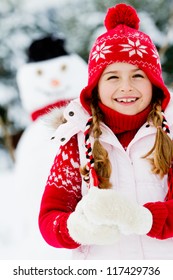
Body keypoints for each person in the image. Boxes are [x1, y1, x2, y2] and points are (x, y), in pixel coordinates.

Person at [38, 3, 173, 260]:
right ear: (95, 87)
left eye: (138, 76)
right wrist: (75, 227)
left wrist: (144, 219)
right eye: (112, 77)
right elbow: (49, 218)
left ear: (154, 83)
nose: (126, 87)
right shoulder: (76, 141)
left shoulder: (169, 134)